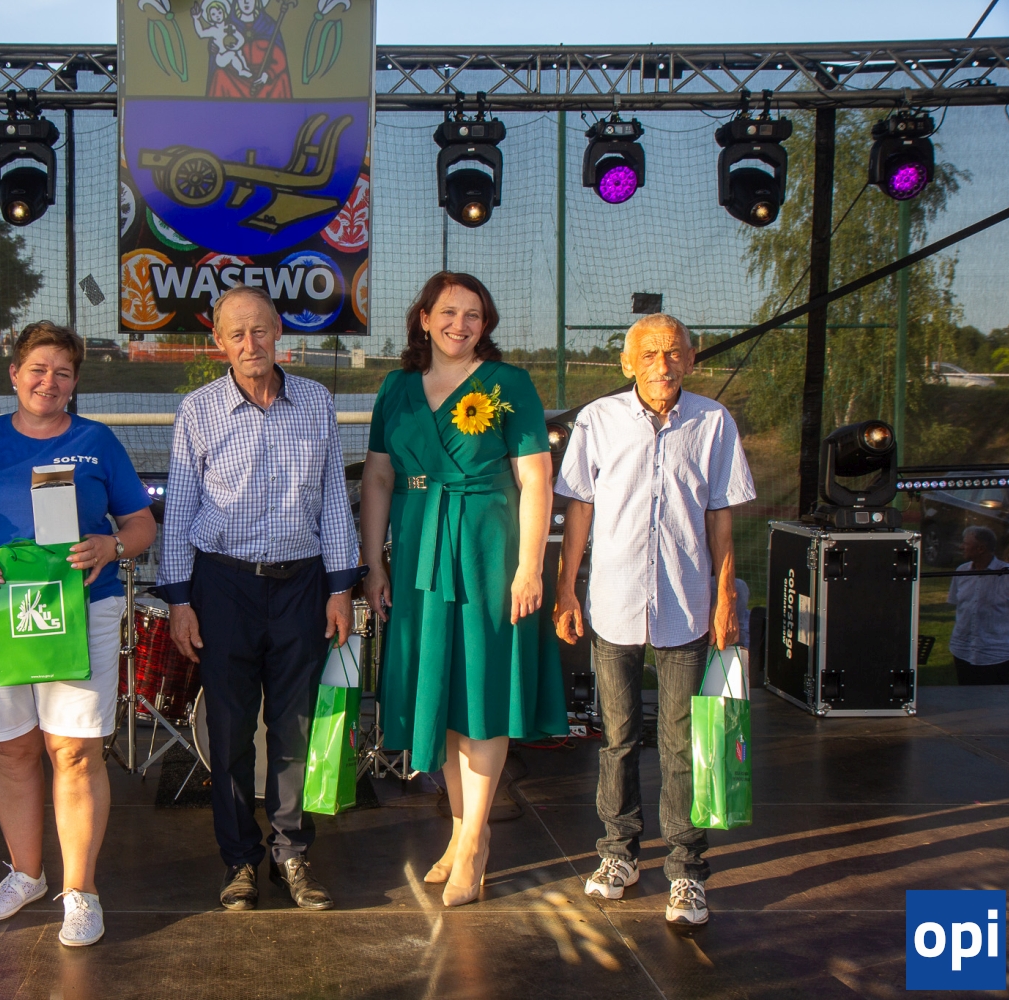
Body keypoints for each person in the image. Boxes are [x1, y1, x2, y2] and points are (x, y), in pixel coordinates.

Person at [0, 321, 156, 947]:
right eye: (37, 369)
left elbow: (141, 524)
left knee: (74, 751)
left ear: (75, 382)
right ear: (14, 373)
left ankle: (80, 891)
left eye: (62, 372)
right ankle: (26, 875)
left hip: (80, 612)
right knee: (11, 750)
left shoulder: (96, 441)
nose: (48, 382)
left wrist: (112, 545)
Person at [359, 271, 567, 909]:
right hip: (417, 548)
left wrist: (529, 568)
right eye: (448, 312)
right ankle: (459, 832)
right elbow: (378, 479)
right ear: (423, 318)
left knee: (481, 690)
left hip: (484, 551)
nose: (460, 324)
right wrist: (374, 564)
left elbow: (536, 480)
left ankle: (474, 843)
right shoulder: (395, 389)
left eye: (473, 314)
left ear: (486, 324)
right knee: (444, 692)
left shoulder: (509, 384)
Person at [159, 285, 360, 913]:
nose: (251, 344)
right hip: (223, 587)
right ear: (219, 342)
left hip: (302, 585)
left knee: (294, 727)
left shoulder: (317, 402)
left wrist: (340, 587)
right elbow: (179, 512)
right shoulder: (197, 410)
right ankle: (240, 859)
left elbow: (333, 500)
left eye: (260, 330)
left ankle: (291, 852)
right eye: (237, 334)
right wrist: (180, 601)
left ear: (279, 333)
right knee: (229, 732)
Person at [553, 312, 755, 928]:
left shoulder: (713, 422)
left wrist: (724, 597)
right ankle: (618, 854)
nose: (662, 365)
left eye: (672, 353)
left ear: (691, 360)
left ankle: (686, 871)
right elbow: (579, 511)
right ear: (627, 363)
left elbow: (721, 516)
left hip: (686, 608)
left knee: (681, 744)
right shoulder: (597, 420)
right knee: (616, 738)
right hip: (613, 606)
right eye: (648, 354)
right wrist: (566, 590)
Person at [946, 524, 1009, 690]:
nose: (961, 546)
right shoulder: (961, 571)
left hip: (996, 655)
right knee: (966, 698)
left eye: (965, 543)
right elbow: (958, 605)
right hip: (962, 651)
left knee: (994, 700)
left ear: (981, 549)